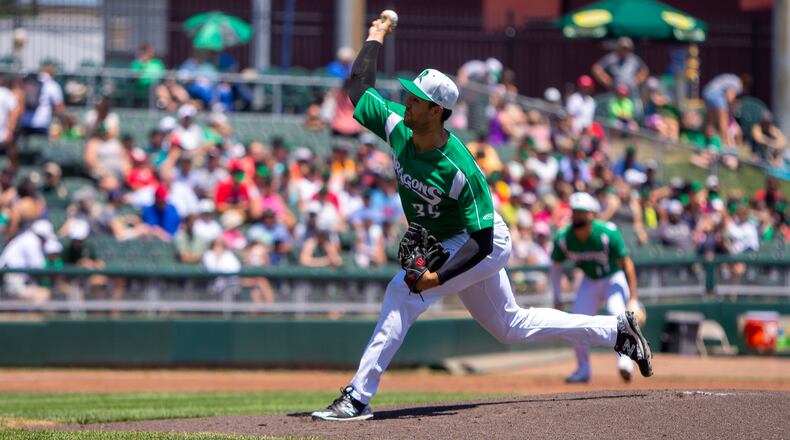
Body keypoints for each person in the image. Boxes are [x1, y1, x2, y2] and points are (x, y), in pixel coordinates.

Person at [310, 14, 652, 422]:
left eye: (416, 99)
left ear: (437, 111)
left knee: (402, 293)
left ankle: (357, 397)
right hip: (451, 240)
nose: (407, 101)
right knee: (511, 327)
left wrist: (437, 277)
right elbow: (359, 87)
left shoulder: (460, 169)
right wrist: (374, 36)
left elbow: (483, 240)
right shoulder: (398, 128)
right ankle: (616, 330)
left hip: (481, 241)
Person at [549, 192, 642, 383]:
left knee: (617, 313)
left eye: (582, 212)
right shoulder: (564, 238)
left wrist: (633, 298)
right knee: (577, 322)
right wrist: (557, 296)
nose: (578, 216)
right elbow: (556, 267)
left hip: (612, 277)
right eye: (575, 212)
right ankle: (583, 370)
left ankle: (625, 362)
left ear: (592, 214)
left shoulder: (607, 233)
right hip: (590, 281)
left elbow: (627, 264)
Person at [702, 73, 742, 146]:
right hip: (716, 94)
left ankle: (707, 142)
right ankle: (724, 143)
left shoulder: (731, 78)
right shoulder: (738, 84)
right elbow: (729, 96)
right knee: (724, 119)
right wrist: (730, 107)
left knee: (711, 121)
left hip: (706, 92)